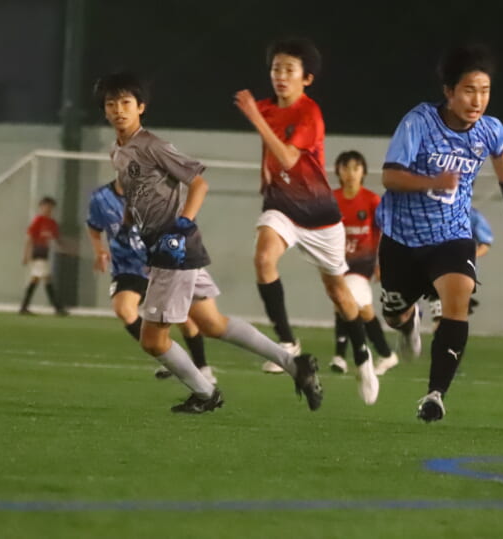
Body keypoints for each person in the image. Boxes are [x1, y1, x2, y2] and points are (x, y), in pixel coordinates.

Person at [95, 70, 323, 414]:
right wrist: (128, 222)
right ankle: (294, 364)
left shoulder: (153, 146)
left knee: (152, 340)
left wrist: (182, 224)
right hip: (162, 248)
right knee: (213, 324)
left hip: (174, 249)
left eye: (126, 102)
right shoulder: (118, 151)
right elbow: (134, 189)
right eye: (111, 104)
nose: (118, 110)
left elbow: (199, 183)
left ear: (141, 107)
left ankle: (206, 393)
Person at [376, 43, 503, 422]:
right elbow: (390, 176)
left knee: (458, 299)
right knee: (394, 314)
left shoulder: (489, 130)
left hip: (452, 235)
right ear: (449, 91)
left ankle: (435, 395)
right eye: (469, 90)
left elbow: (502, 157)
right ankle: (407, 323)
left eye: (485, 91)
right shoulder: (419, 122)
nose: (477, 100)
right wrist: (433, 182)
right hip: (403, 238)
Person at [233, 37, 378, 404]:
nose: (280, 76)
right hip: (282, 207)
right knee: (263, 258)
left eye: (289, 70)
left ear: (307, 78)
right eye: (275, 69)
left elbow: (287, 157)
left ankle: (363, 359)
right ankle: (287, 342)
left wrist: (254, 118)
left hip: (319, 216)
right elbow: (270, 155)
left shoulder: (309, 113)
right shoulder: (266, 107)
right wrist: (263, 176)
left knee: (339, 293)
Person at [86, 178, 215, 383]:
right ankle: (167, 355)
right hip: (128, 267)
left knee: (184, 320)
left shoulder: (156, 193)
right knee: (124, 309)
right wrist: (99, 250)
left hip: (159, 265)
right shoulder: (101, 197)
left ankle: (202, 367)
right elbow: (94, 228)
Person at [328, 150, 399, 376]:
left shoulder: (371, 200)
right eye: (345, 168)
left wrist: (383, 262)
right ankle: (386, 354)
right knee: (363, 310)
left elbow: (387, 232)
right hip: (337, 262)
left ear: (364, 172)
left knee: (344, 298)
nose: (350, 173)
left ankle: (340, 356)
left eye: (355, 168)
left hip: (363, 263)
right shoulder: (331, 199)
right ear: (338, 171)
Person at [428, 204, 494, 330]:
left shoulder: (472, 215)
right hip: (435, 269)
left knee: (452, 316)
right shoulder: (431, 210)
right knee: (440, 316)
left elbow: (485, 244)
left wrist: (467, 257)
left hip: (460, 271)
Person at [19, 196, 67, 316]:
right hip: (37, 254)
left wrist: (64, 246)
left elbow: (56, 237)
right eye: (46, 207)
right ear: (41, 207)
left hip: (45, 254)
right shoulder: (38, 221)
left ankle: (24, 307)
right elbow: (29, 238)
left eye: (50, 207)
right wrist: (26, 254)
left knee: (35, 280)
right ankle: (57, 307)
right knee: (47, 279)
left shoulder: (52, 223)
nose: (48, 209)